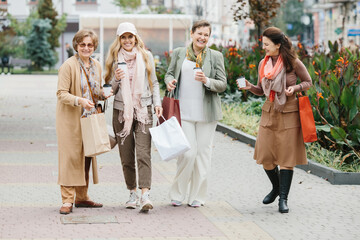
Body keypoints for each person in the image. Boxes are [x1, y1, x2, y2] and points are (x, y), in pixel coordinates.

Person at [237, 27, 312, 213]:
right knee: (266, 158)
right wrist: (250, 87)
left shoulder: (292, 62)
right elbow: (262, 90)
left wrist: (294, 89)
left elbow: (308, 82)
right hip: (269, 111)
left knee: (286, 159)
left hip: (289, 113)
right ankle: (277, 188)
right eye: (263, 44)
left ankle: (283, 199)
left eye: (267, 44)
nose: (264, 48)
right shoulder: (264, 63)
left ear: (278, 45)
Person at [165, 20, 227, 208]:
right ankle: (177, 193)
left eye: (206, 35)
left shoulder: (215, 56)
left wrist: (207, 80)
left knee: (202, 155)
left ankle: (197, 196)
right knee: (188, 154)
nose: (202, 37)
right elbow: (168, 74)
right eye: (199, 33)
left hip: (207, 114)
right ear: (191, 34)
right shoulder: (179, 53)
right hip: (183, 112)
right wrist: (169, 81)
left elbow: (222, 84)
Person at [104, 22, 162, 213]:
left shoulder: (146, 56)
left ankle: (145, 194)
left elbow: (154, 83)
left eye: (130, 37)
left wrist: (157, 104)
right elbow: (109, 90)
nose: (127, 41)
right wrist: (116, 78)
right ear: (119, 39)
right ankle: (132, 192)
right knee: (126, 156)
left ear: (136, 38)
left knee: (143, 153)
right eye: (123, 37)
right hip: (121, 112)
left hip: (143, 110)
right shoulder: (113, 59)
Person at [56, 29, 111, 215]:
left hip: (89, 119)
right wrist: (79, 100)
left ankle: (82, 197)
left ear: (94, 46)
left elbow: (96, 90)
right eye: (82, 45)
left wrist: (103, 93)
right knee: (70, 159)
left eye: (89, 45)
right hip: (70, 120)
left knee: (87, 158)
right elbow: (61, 93)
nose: (86, 48)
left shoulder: (96, 65)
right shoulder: (68, 65)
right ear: (76, 46)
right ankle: (67, 200)